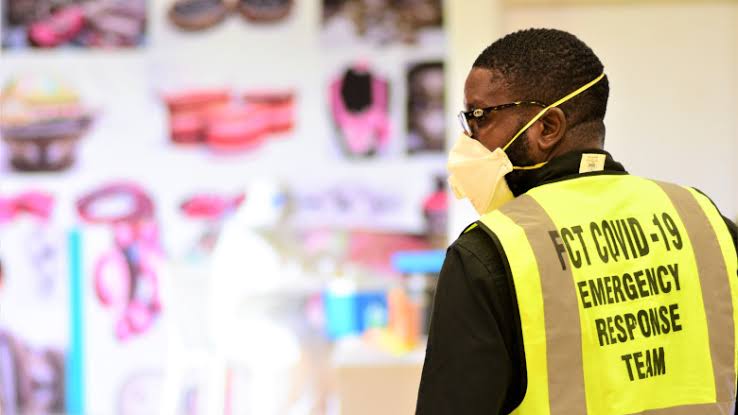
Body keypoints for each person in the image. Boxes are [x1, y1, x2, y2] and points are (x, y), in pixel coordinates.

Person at [416, 28, 738, 415]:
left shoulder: (489, 253)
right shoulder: (705, 223)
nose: (469, 139)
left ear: (548, 128)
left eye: (479, 118)